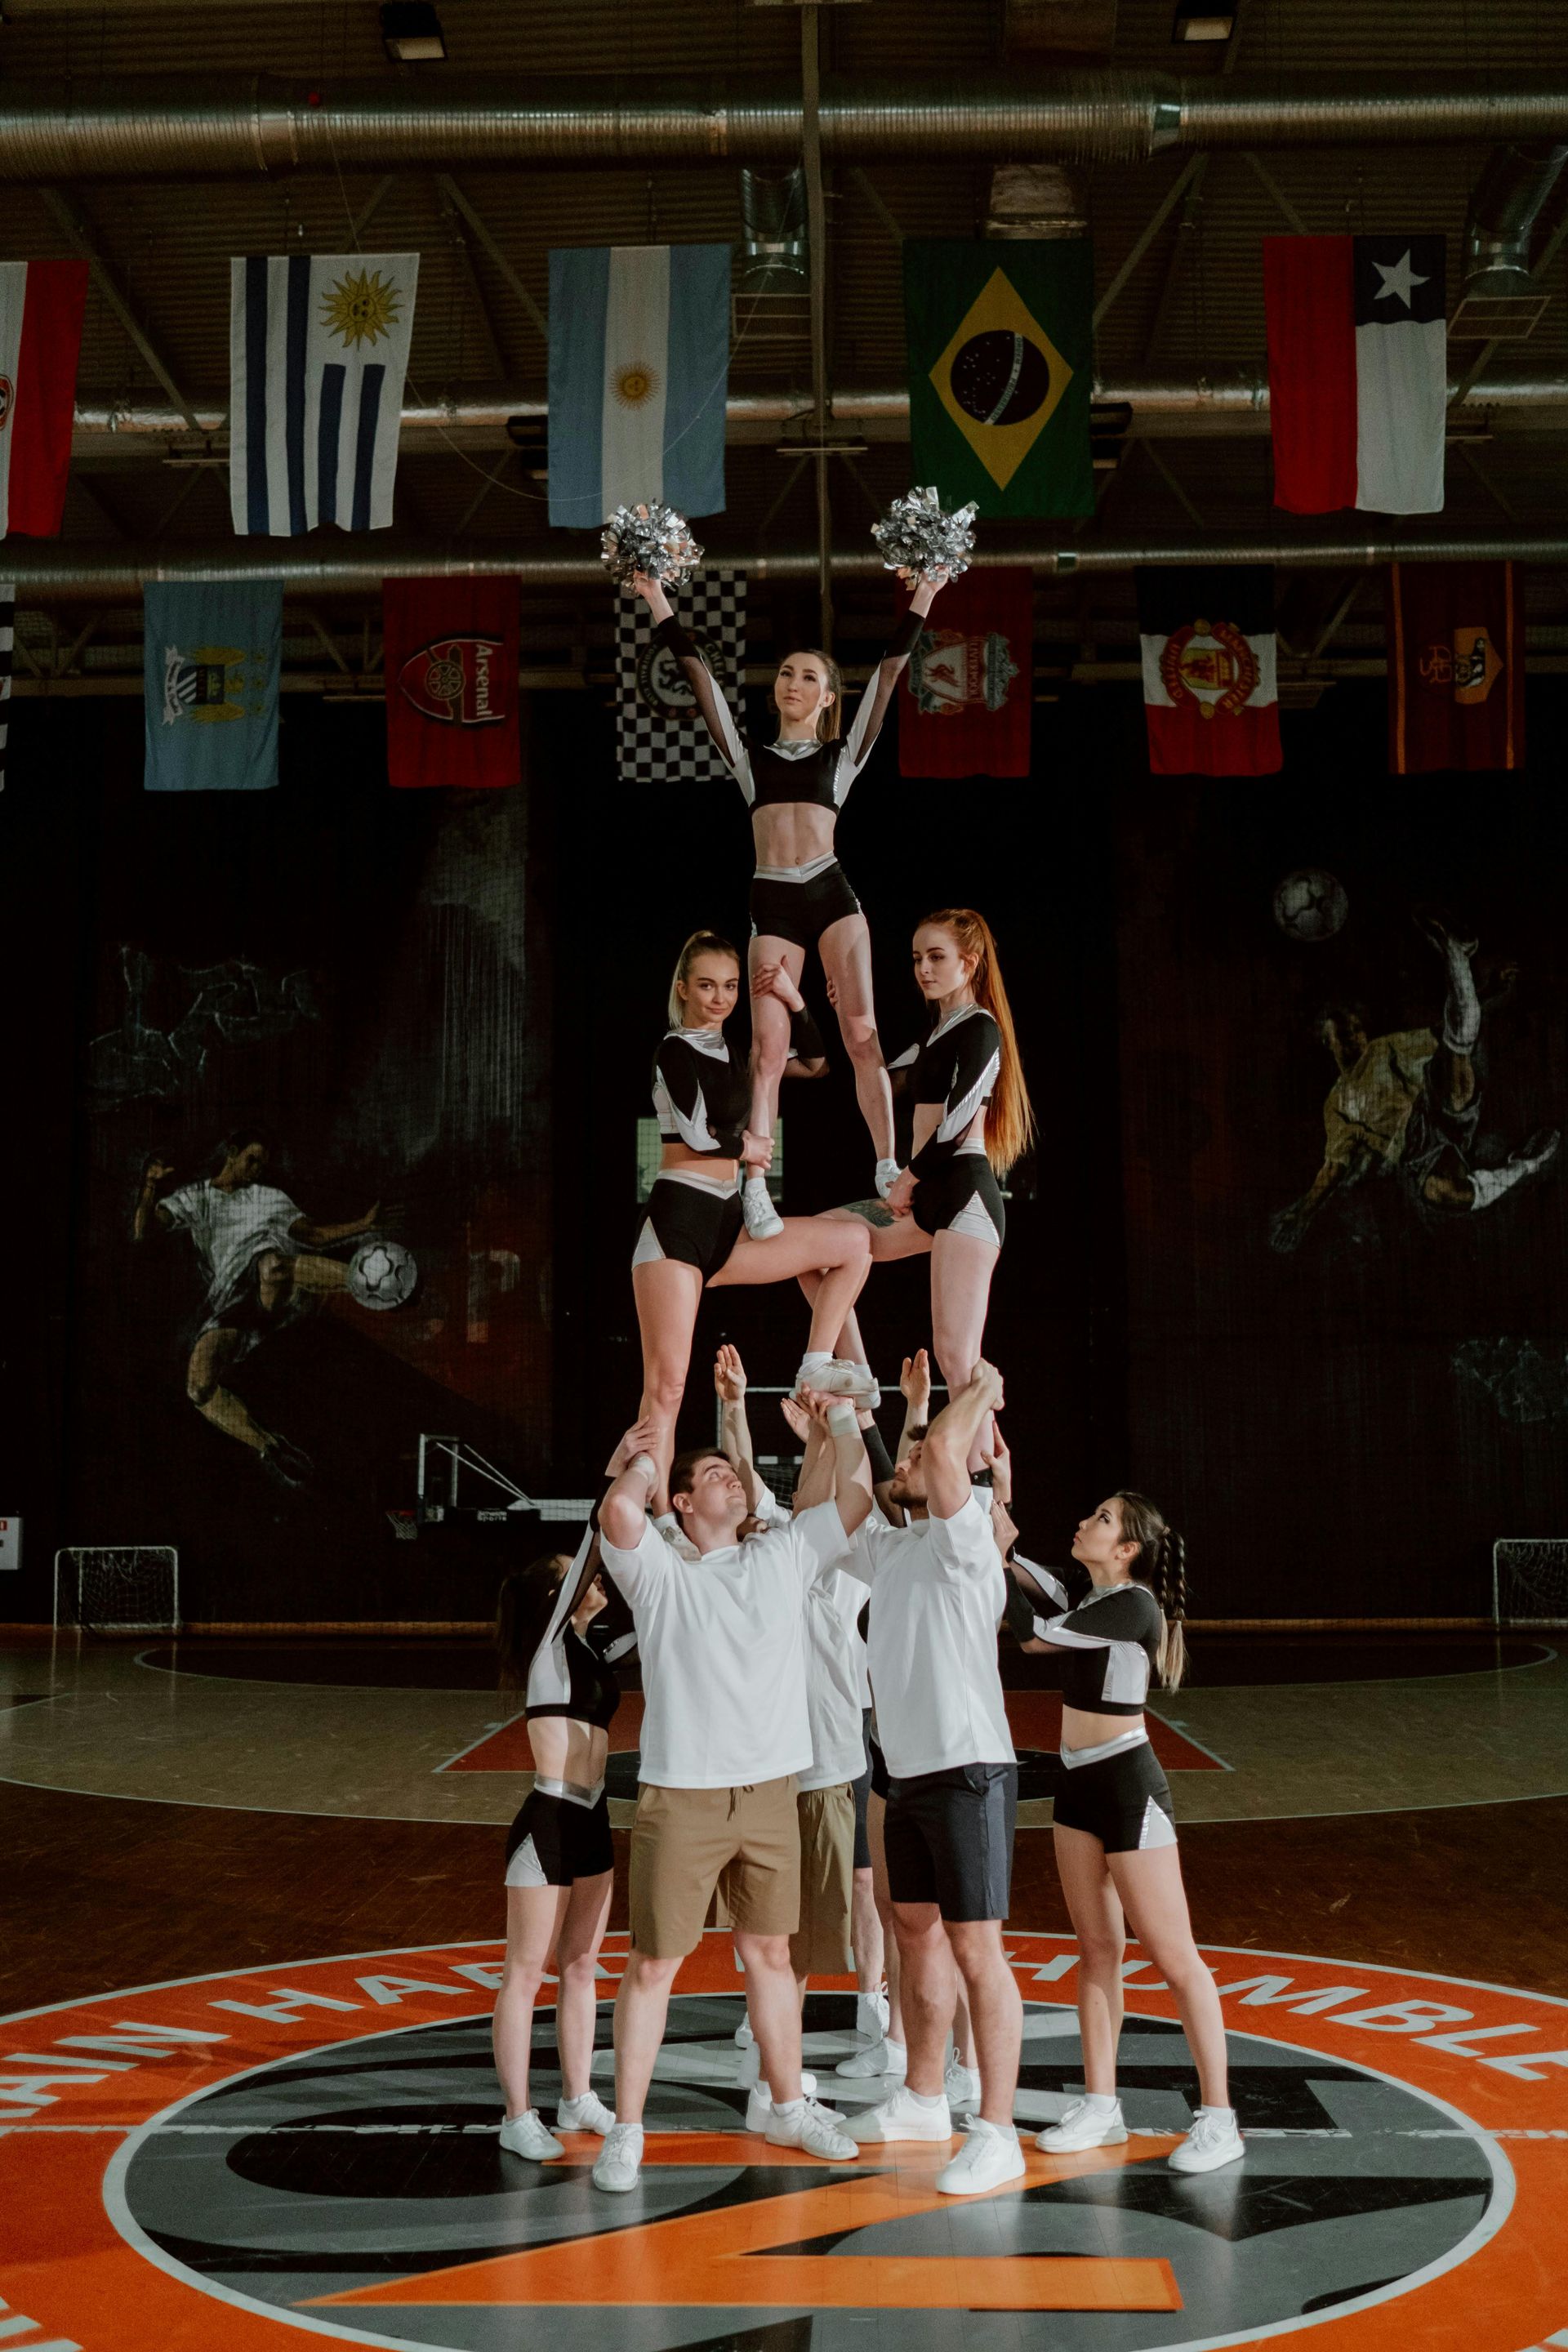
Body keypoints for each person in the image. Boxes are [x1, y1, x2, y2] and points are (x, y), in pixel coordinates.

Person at [590, 1400, 873, 2193]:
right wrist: (643, 1452)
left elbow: (855, 1499)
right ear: (681, 1503)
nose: (730, 1480)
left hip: (772, 1795)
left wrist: (843, 1417)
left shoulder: (781, 1555)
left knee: (771, 1956)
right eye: (712, 1474)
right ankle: (628, 2127)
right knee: (654, 1965)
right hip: (681, 1798)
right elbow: (618, 1509)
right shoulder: (659, 1574)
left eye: (731, 1471)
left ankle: (787, 2104)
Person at [631, 567, 949, 1238]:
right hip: (773, 902)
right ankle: (756, 1185)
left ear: (829, 696)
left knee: (862, 1036)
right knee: (768, 1052)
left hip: (832, 893)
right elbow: (700, 681)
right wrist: (658, 598)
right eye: (786, 674)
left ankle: (886, 1166)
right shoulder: (750, 761)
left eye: (809, 676)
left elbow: (890, 677)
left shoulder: (843, 758)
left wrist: (923, 593)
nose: (793, 683)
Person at [1013, 1491, 1242, 2174]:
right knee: (1097, 1950)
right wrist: (990, 1503)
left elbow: (1030, 1633)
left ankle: (1220, 2118)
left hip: (1127, 1787)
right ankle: (1101, 2106)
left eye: (1103, 1519)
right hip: (1078, 1784)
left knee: (1176, 1958)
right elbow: (1023, 1572)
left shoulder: (1132, 1604)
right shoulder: (1086, 1598)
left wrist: (987, 1551)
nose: (1085, 1521)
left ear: (1127, 1550)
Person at [842, 1361, 1025, 2196]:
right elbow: (859, 1490)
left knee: (978, 1951)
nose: (907, 1463)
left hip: (969, 1773)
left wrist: (976, 1382)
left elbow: (947, 1454)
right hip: (907, 1773)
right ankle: (923, 2096)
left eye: (920, 1455)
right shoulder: (898, 1547)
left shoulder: (963, 1538)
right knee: (913, 1930)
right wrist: (842, 1412)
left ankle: (998, 2130)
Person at [633, 931, 875, 1496]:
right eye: (708, 986)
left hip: (730, 1226)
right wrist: (746, 1150)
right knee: (665, 1390)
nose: (720, 998)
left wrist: (793, 1000)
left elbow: (815, 1065)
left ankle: (816, 1361)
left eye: (731, 987)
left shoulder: (740, 1057)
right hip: (676, 1228)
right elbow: (695, 1133)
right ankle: (660, 1518)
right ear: (683, 989)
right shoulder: (674, 1050)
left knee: (851, 1244)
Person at [800, 910, 1034, 1468]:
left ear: (968, 964)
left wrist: (907, 1177)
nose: (923, 969)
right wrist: (837, 1011)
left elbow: (956, 1124)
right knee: (814, 1246)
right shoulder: (939, 1033)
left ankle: (982, 1501)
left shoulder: (981, 1027)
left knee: (957, 1360)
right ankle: (858, 1376)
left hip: (964, 1197)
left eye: (936, 958)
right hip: (929, 1196)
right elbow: (876, 1068)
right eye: (916, 959)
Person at [1272, 912, 1557, 1253]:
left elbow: (1442, 1031)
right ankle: (1525, 1163)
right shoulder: (1337, 1105)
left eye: (1357, 1029)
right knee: (1450, 1195)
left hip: (1436, 1106)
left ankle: (1455, 954)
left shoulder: (1385, 1048)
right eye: (1343, 1035)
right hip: (1419, 1152)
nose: (1354, 1038)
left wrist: (1487, 991)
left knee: (1457, 1054)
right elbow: (1333, 1168)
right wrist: (1303, 1213)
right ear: (1327, 1043)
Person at [131, 1129, 390, 1487]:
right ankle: (270, 1447)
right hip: (233, 1302)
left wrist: (361, 1226)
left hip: (277, 1287)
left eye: (262, 1165)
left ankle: (371, 1282)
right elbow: (144, 1232)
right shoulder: (197, 1198)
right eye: (251, 1159)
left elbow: (311, 1235)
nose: (255, 1170)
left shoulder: (268, 1198)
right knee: (199, 1385)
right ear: (232, 1153)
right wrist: (149, 1187)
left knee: (273, 1265)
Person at [490, 1541, 629, 2160]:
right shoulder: (548, 1648)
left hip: (593, 1819)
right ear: (555, 1599)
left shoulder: (594, 1647)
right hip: (549, 1819)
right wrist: (624, 1475)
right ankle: (517, 2115)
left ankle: (577, 2096)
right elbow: (592, 1551)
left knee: (580, 1965)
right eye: (576, 1578)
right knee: (525, 1972)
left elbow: (664, 1628)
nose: (593, 1580)